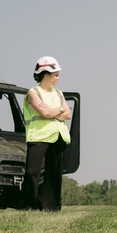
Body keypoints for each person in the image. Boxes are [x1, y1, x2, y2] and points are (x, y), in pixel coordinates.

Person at [22, 56, 72, 211]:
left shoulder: (59, 93)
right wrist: (60, 110)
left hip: (58, 137)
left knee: (54, 175)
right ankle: (28, 207)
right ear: (46, 75)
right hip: (38, 137)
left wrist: (54, 111)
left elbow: (68, 114)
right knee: (32, 173)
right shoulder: (33, 92)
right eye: (55, 75)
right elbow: (43, 112)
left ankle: (51, 208)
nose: (57, 78)